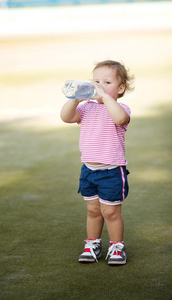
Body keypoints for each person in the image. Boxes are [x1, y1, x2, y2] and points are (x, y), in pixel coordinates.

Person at [60, 60, 134, 265]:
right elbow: (66, 117)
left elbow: (120, 119)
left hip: (111, 171)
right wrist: (75, 99)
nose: (99, 86)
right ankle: (92, 243)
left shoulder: (121, 108)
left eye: (106, 82)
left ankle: (116, 246)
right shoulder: (86, 108)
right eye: (96, 82)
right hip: (89, 170)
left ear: (120, 88)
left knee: (110, 211)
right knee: (93, 210)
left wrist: (104, 97)